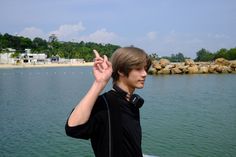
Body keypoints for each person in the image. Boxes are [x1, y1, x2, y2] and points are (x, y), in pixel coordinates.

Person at [65, 46, 151, 157]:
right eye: (138, 69)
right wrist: (99, 83)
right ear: (121, 70)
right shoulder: (105, 104)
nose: (145, 74)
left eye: (145, 69)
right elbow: (73, 129)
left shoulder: (131, 103)